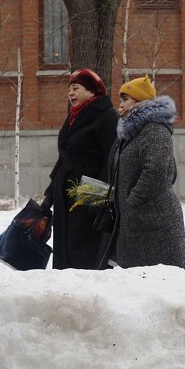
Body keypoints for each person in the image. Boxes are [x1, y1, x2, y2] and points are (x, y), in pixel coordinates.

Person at [103, 75, 185, 270]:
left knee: (161, 286)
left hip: (155, 224)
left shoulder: (154, 129)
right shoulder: (129, 132)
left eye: (125, 99)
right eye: (120, 99)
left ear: (141, 102)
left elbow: (158, 171)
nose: (120, 105)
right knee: (140, 288)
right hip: (138, 222)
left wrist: (133, 200)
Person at [44, 68, 118, 269]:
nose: (70, 93)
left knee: (84, 247)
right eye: (69, 89)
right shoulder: (73, 117)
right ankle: (64, 290)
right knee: (64, 245)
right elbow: (64, 157)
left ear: (92, 92)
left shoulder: (107, 116)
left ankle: (84, 292)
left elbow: (110, 159)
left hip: (90, 192)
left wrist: (96, 199)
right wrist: (49, 196)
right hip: (65, 191)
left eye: (76, 88)